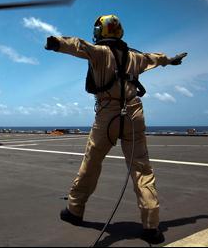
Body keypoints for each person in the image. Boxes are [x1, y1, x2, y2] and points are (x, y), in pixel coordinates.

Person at [44, 14, 187, 244]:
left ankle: (75, 210)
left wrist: (56, 43)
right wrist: (170, 60)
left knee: (91, 164)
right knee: (142, 170)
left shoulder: (99, 53)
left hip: (107, 115)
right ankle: (151, 226)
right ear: (119, 32)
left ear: (100, 32)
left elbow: (78, 45)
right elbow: (154, 58)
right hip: (133, 115)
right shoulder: (135, 57)